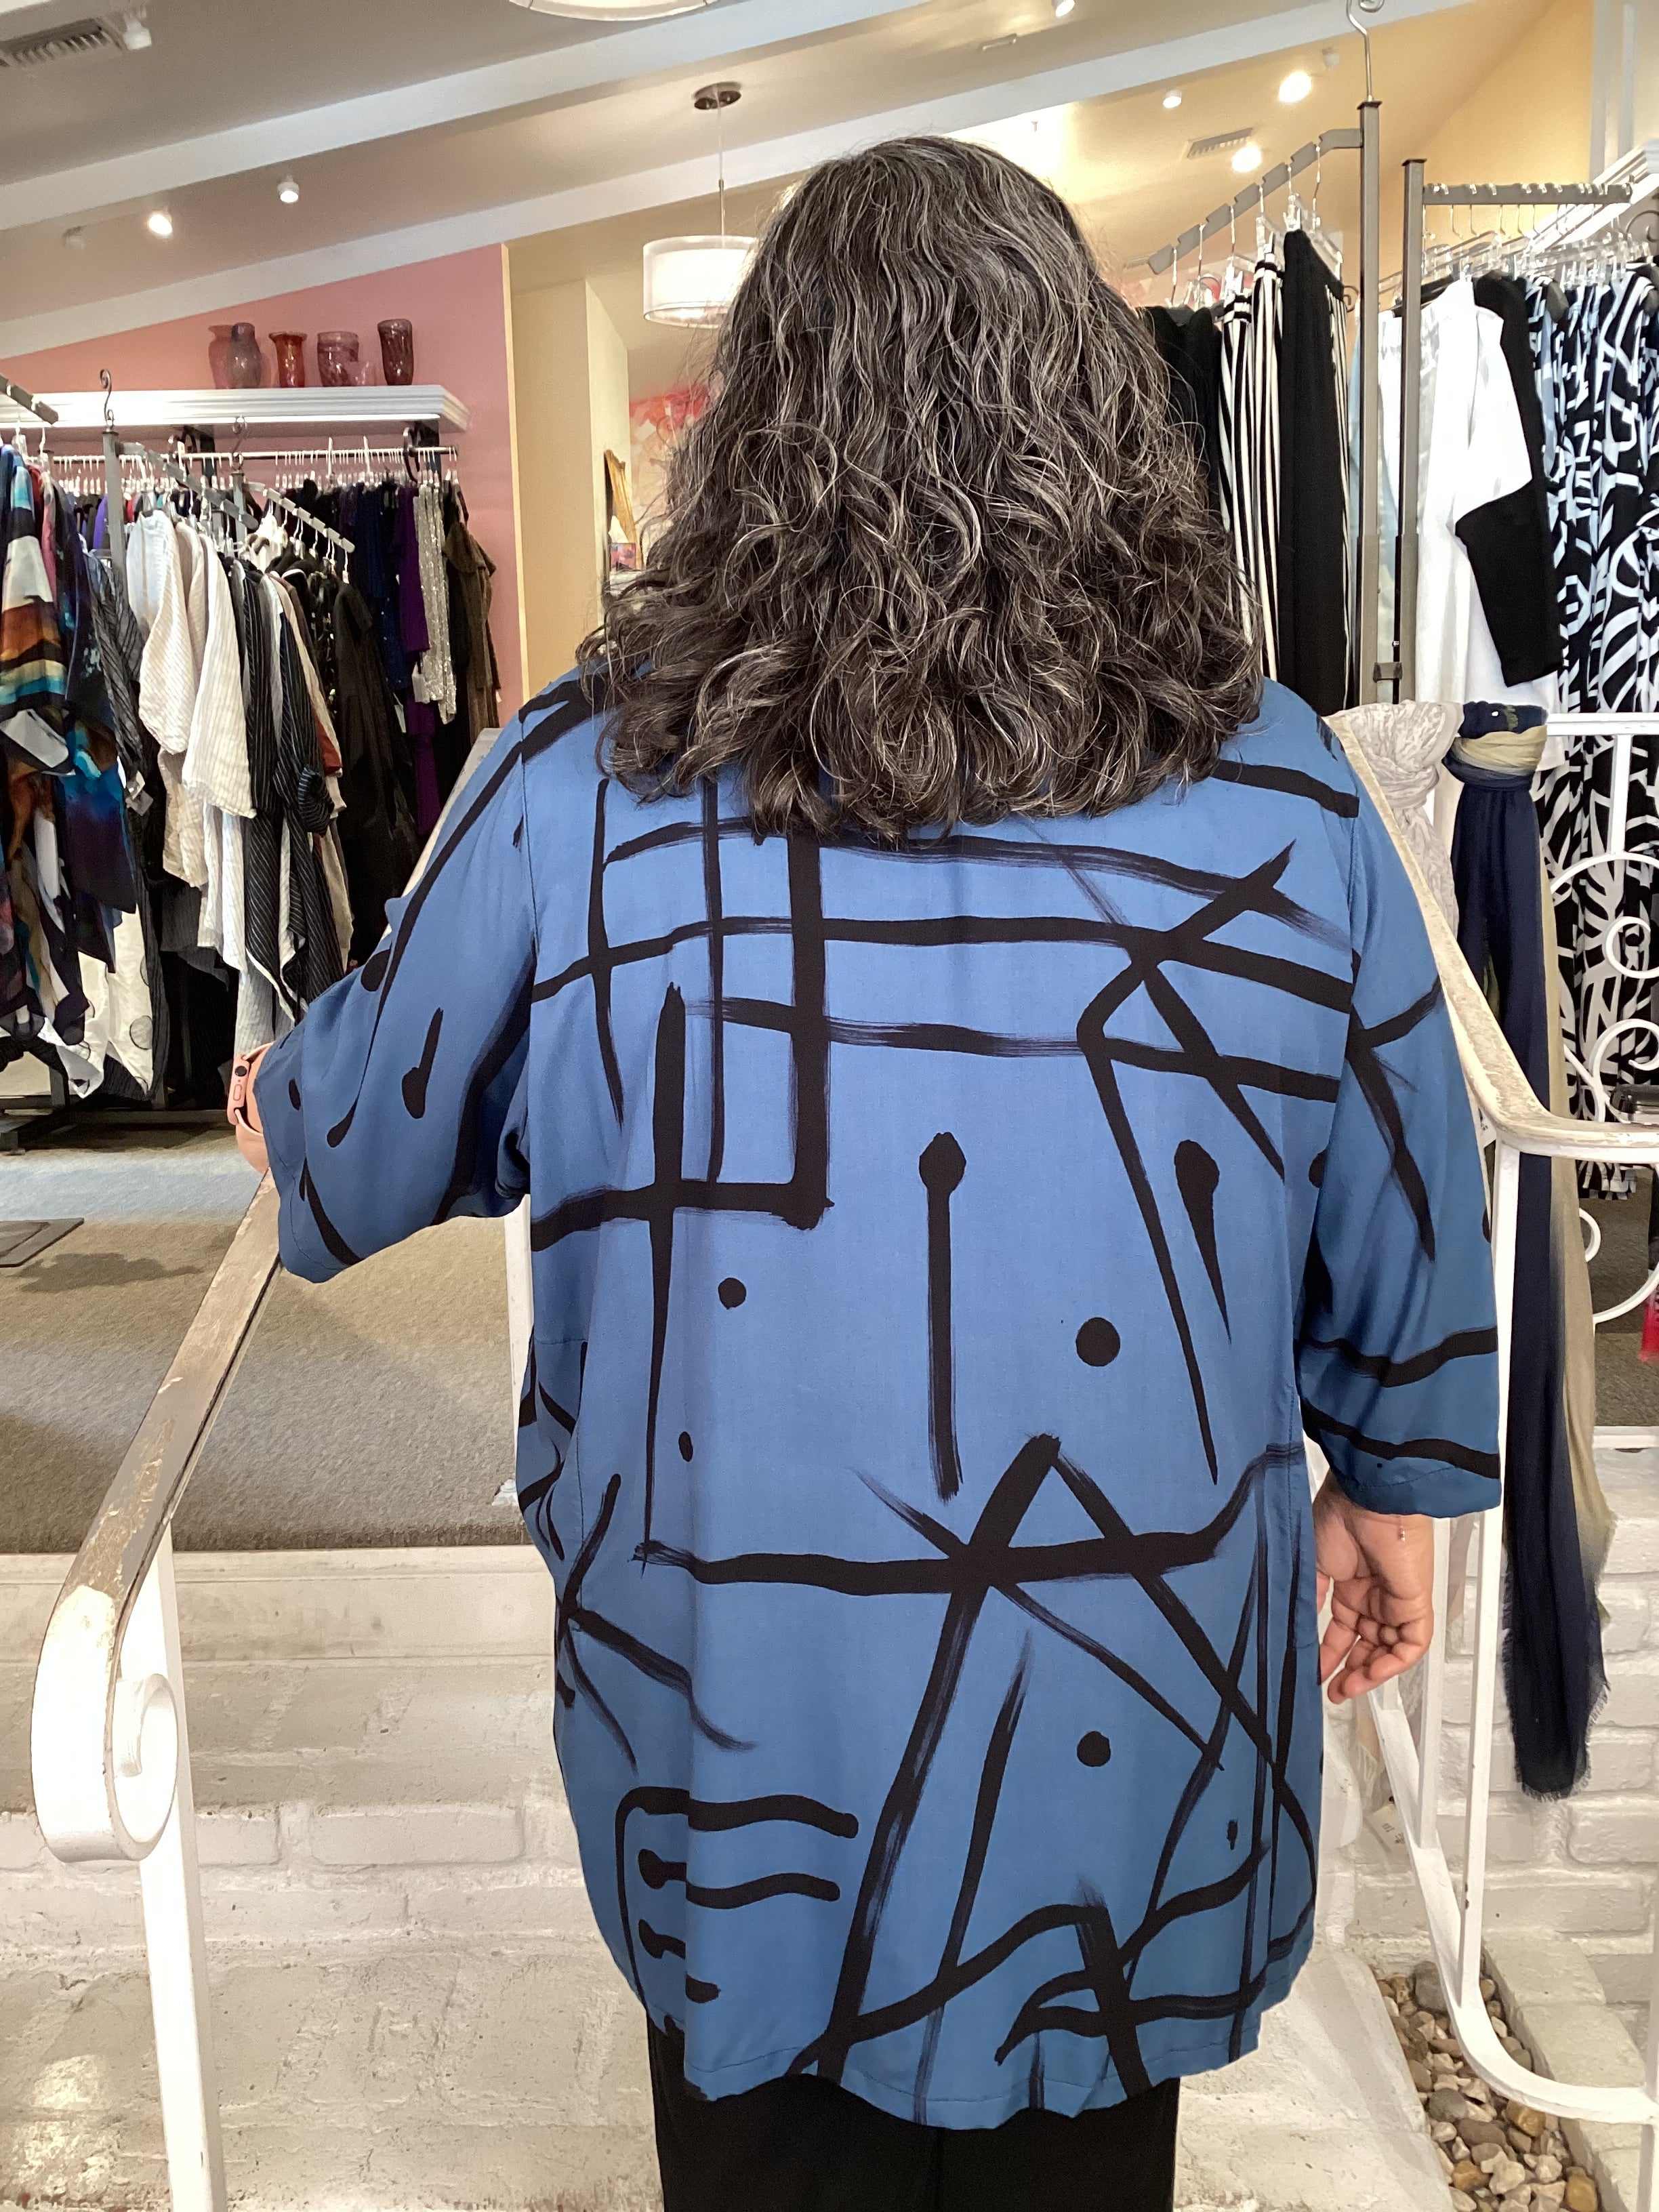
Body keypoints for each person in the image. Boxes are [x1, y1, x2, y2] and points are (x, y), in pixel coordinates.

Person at [228, 136, 1498, 2212]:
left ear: (758, 436)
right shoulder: (1283, 796)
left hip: (743, 1743)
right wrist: (1397, 1488)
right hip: (1122, 1730)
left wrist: (276, 1096)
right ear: (1107, 416)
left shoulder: (581, 787)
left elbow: (351, 1144)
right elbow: (1402, 1195)